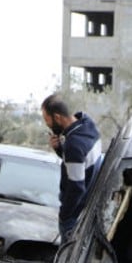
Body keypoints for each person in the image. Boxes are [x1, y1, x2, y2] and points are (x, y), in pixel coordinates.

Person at [40, 94, 102, 239]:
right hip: (87, 210)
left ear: (57, 117)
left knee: (67, 259)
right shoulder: (86, 123)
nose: (46, 124)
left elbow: (76, 188)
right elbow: (80, 162)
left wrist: (65, 215)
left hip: (74, 217)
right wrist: (59, 149)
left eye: (46, 119)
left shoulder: (73, 145)